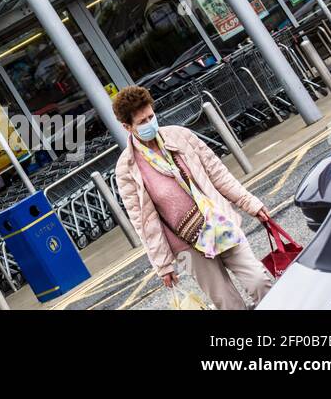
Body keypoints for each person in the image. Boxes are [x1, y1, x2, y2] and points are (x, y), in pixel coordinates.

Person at [112, 85, 273, 309]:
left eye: (151, 116)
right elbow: (144, 222)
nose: (150, 124)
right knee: (227, 303)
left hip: (218, 222)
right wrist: (163, 265)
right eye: (142, 122)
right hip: (187, 245)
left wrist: (250, 203)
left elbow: (218, 174)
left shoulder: (181, 136)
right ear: (127, 127)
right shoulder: (126, 168)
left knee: (259, 281)